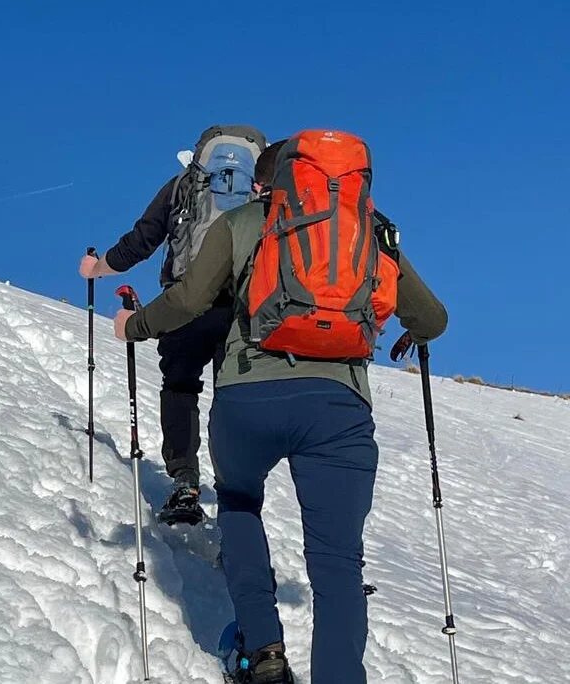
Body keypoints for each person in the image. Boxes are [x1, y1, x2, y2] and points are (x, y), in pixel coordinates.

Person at [113, 134, 448, 684]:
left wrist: (137, 327)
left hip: (249, 399)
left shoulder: (246, 221)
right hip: (339, 410)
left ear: (269, 181)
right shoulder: (369, 228)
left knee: (241, 505)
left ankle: (262, 655)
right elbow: (433, 319)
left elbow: (189, 301)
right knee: (338, 561)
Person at [80, 125, 266, 525]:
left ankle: (184, 480)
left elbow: (144, 238)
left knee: (180, 387)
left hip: (186, 304)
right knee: (232, 400)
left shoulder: (184, 185)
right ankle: (236, 496)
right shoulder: (263, 193)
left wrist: (99, 268)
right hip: (245, 313)